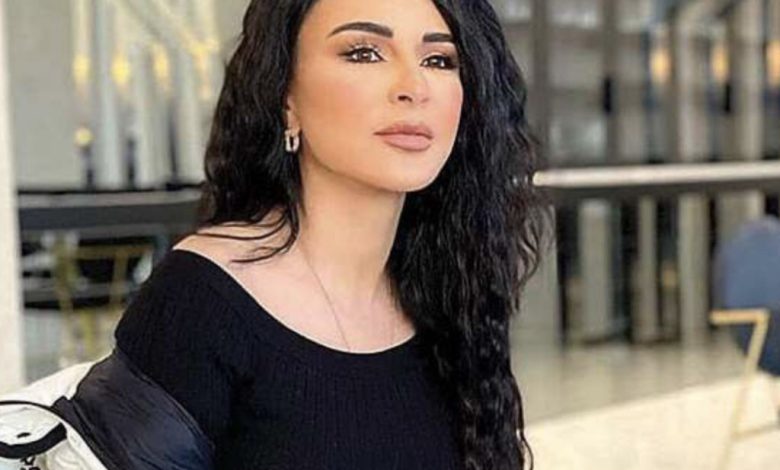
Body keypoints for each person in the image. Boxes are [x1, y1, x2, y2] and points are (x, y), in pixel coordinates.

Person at [0, 0, 547, 469]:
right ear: (286, 96)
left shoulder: (447, 289)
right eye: (363, 52)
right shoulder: (203, 299)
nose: (413, 87)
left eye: (439, 59)